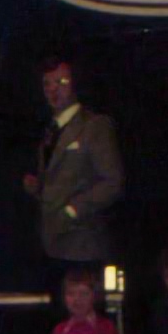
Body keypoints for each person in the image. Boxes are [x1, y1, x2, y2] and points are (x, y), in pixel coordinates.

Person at [23, 57, 124, 289]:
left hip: (83, 245)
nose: (53, 89)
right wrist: (38, 189)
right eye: (47, 84)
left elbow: (112, 182)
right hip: (52, 244)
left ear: (75, 83)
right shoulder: (51, 130)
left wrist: (73, 209)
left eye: (61, 82)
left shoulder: (94, 125)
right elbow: (60, 182)